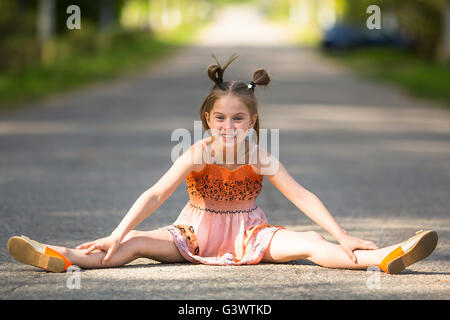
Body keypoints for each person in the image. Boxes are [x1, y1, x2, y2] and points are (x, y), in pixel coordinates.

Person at [7, 54, 438, 275]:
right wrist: (116, 233)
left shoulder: (259, 156)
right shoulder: (197, 153)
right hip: (193, 235)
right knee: (134, 243)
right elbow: (156, 193)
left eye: (239, 118)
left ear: (253, 121)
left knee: (309, 243)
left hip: (249, 235)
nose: (229, 126)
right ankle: (59, 256)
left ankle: (384, 257)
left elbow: (302, 194)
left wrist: (341, 233)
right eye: (220, 118)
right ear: (206, 119)